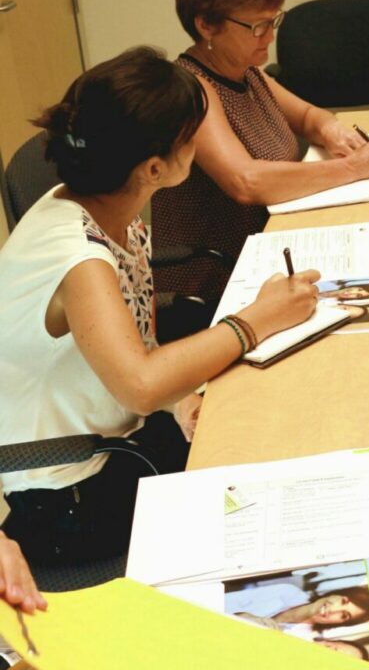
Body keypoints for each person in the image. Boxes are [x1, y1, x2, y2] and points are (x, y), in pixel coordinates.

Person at [0, 47, 321, 565]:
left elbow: (135, 350)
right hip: (71, 497)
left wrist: (181, 397)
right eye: (191, 139)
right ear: (154, 168)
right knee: (273, 500)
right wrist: (255, 322)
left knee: (271, 424)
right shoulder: (78, 256)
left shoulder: (106, 208)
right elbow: (141, 383)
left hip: (118, 443)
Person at [152, 0, 369, 305]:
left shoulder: (248, 73)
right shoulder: (190, 91)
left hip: (272, 248)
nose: (270, 35)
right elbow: (245, 182)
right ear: (206, 25)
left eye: (274, 20)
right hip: (218, 281)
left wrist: (332, 131)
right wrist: (354, 168)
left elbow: (310, 116)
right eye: (257, 26)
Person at [227, 583, 369, 626]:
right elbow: (226, 600)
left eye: (344, 615)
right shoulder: (287, 590)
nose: (333, 611)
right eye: (343, 601)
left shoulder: (304, 640)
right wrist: (240, 616)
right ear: (336, 593)